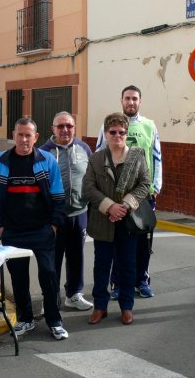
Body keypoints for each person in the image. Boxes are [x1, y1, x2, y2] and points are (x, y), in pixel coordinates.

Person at [0, 117, 68, 340]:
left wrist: (53, 225)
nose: (24, 139)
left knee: (49, 274)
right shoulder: (0, 161)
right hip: (13, 231)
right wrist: (0, 228)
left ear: (36, 137)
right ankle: (25, 319)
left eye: (28, 135)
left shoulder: (47, 160)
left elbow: (59, 196)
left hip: (42, 230)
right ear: (13, 135)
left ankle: (54, 320)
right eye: (20, 134)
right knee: (19, 278)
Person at [83, 112, 150, 325]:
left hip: (128, 222)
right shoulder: (96, 159)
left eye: (122, 132)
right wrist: (109, 206)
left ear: (126, 133)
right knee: (102, 265)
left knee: (127, 266)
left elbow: (145, 184)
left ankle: (126, 307)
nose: (117, 135)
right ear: (105, 133)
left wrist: (125, 205)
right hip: (103, 221)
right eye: (113, 132)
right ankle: (100, 307)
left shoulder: (137, 156)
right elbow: (88, 187)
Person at [96, 85, 162, 299]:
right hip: (114, 197)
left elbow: (156, 157)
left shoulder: (150, 126)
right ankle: (117, 283)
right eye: (127, 98)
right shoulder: (107, 126)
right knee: (116, 240)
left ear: (140, 101)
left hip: (142, 195)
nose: (131, 102)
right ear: (121, 100)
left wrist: (156, 186)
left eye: (134, 98)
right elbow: (98, 155)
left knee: (143, 242)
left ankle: (142, 280)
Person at [40, 111, 93, 311]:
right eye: (60, 126)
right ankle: (51, 299)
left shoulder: (84, 149)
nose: (65, 130)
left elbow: (91, 178)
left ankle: (74, 294)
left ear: (74, 128)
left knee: (76, 256)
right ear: (53, 129)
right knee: (52, 260)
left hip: (79, 214)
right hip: (53, 217)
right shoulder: (43, 152)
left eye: (69, 126)